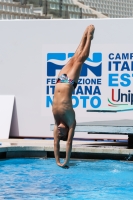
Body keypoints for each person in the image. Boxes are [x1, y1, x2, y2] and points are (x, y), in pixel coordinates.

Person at [52, 25, 95, 168]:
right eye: (60, 133)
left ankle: (83, 35)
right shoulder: (71, 123)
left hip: (59, 80)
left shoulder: (57, 122)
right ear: (65, 133)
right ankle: (89, 38)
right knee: (80, 59)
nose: (58, 131)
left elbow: (55, 143)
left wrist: (56, 161)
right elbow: (68, 143)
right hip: (70, 82)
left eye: (58, 132)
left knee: (73, 58)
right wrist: (65, 161)